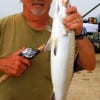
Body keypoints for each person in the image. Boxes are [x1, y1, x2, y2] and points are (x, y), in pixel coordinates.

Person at [0, 0, 96, 100]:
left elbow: (90, 65)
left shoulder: (69, 32)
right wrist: (2, 64)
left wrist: (79, 34)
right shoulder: (3, 26)